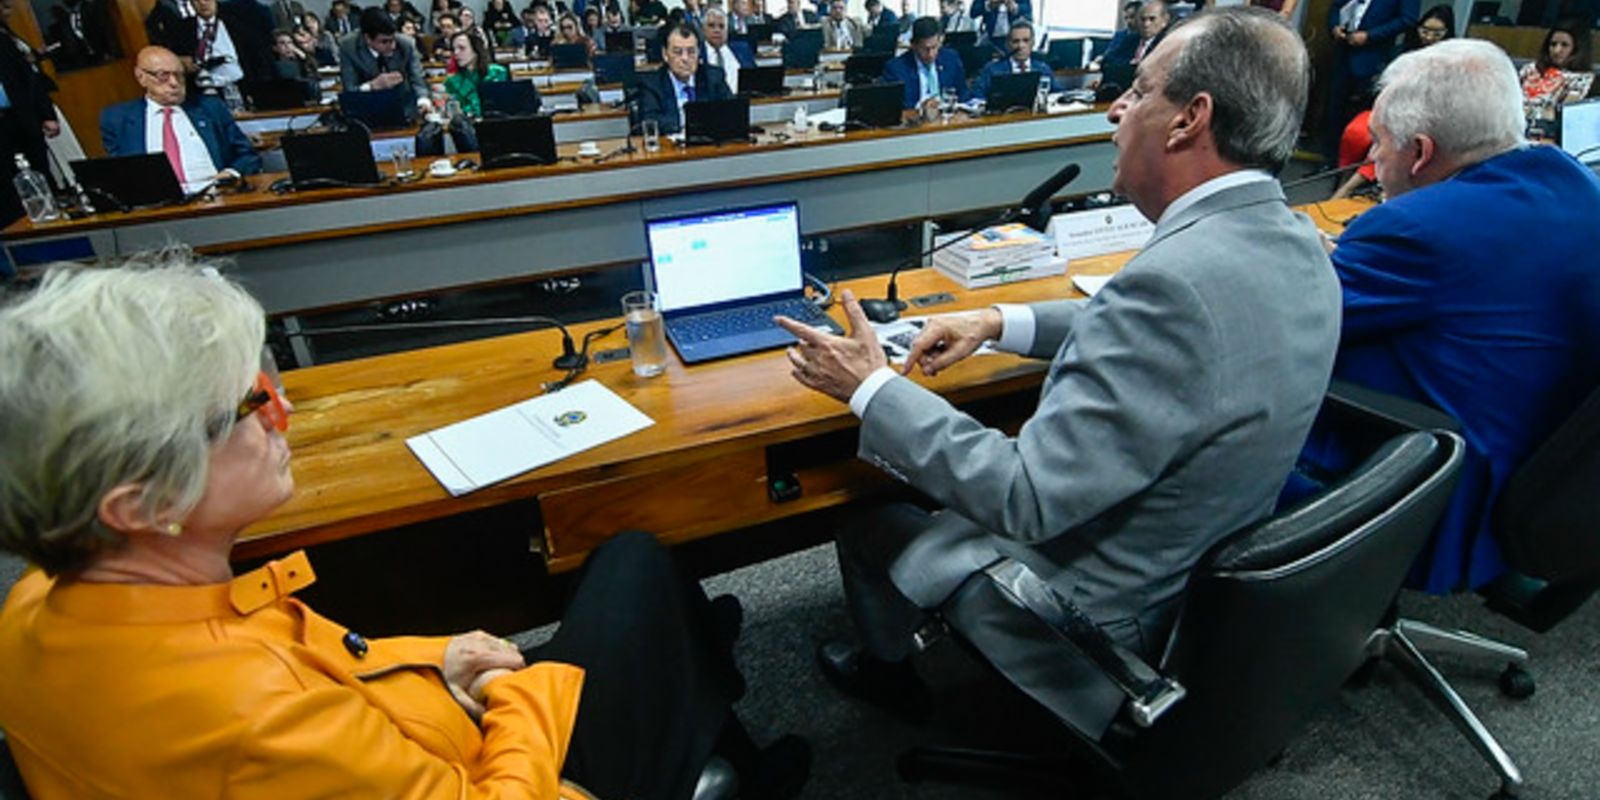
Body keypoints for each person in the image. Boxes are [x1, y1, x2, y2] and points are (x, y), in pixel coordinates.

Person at [0, 256, 812, 800]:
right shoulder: (254, 717)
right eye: (251, 405)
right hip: (514, 770)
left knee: (641, 572)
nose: (285, 412)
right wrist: (508, 692)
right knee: (639, 562)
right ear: (140, 504)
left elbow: (322, 664)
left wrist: (437, 655)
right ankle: (709, 710)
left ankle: (709, 701)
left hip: (425, 728)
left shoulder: (36, 606)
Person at [775, 6, 1339, 739]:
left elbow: (1024, 498)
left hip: (1103, 614)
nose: (1115, 109)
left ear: (1188, 120)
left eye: (1138, 90)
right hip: (1201, 575)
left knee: (868, 521)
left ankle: (905, 684)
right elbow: (1173, 332)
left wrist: (869, 386)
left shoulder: (1173, 285)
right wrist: (996, 321)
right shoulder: (1297, 241)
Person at [1319, 39, 1600, 594]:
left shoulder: (1416, 230)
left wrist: (1297, 255)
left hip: (1444, 502)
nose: (1372, 159)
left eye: (1379, 142)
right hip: (1550, 482)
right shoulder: (1578, 187)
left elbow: (1290, 319)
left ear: (1420, 153)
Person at [1331, 2, 1453, 199]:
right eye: (1425, 30)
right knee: (1357, 131)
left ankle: (1347, 190)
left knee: (1393, 142)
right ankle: (1343, 180)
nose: (1429, 37)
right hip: (1393, 110)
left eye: (1437, 33)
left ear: (1447, 33)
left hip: (1427, 119)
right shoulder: (1401, 53)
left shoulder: (1452, 62)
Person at [100, 46, 261, 193]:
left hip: (216, 195)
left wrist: (230, 174)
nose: (174, 83)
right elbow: (120, 173)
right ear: (141, 77)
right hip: (157, 205)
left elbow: (248, 155)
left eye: (179, 75)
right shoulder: (117, 119)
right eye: (163, 76)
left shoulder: (210, 108)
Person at [1322, 0, 1417, 164]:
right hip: (1343, 52)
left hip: (1373, 56)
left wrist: (1370, 36)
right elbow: (1337, 6)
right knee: (1335, 108)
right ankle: (1329, 161)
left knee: (1361, 116)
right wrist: (1334, 26)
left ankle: (1355, 165)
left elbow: (1407, 19)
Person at [0, 0, 61, 227]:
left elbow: (30, 78)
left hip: (21, 119)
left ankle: (53, 225)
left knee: (39, 175)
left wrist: (47, 114)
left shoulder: (4, 40)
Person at [635, 22, 732, 133]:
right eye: (678, 52)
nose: (685, 58)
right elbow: (649, 121)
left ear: (699, 53)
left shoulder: (714, 77)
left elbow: (731, 112)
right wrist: (690, 121)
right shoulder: (652, 84)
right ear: (665, 54)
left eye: (691, 52)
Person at [339, 6, 431, 118]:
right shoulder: (349, 47)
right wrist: (372, 86)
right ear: (368, 38)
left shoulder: (406, 44)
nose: (392, 46)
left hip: (404, 106)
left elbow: (418, 80)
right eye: (384, 42)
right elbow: (349, 90)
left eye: (393, 40)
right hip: (365, 109)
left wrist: (423, 101)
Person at [172, 0, 275, 97]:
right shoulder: (181, 29)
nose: (202, 3)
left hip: (240, 86)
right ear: (191, 3)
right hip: (203, 90)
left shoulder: (238, 24)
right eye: (197, 0)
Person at [882, 16, 969, 111]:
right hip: (916, 117)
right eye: (925, 49)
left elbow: (963, 93)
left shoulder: (951, 59)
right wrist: (921, 107)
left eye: (934, 47)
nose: (931, 54)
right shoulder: (896, 68)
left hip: (949, 116)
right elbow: (896, 105)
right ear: (913, 45)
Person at [1518, 22, 1594, 125]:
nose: (1557, 50)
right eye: (1553, 44)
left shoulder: (1582, 78)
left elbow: (1562, 114)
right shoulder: (1529, 69)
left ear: (1577, 48)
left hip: (1545, 127)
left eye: (1564, 45)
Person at [974, 19, 1057, 99]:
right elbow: (976, 97)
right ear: (1008, 44)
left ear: (1033, 43)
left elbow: (1058, 94)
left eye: (1026, 40)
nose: (1021, 46)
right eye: (1015, 41)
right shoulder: (992, 70)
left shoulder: (1043, 69)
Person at [443, 30, 509, 119]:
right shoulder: (452, 81)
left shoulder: (497, 72)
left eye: (462, 48)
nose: (456, 53)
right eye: (453, 49)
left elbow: (497, 106)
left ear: (476, 50)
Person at [703, 6, 755, 92]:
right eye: (711, 26)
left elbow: (755, 79)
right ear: (704, 29)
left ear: (727, 30)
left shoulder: (743, 50)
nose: (717, 30)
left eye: (721, 26)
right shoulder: (697, 53)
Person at [1090, 1, 1142, 70]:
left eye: (1132, 17)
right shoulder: (1120, 35)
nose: (1128, 21)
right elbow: (1108, 54)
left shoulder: (1143, 37)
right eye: (1126, 18)